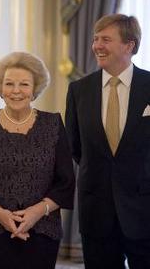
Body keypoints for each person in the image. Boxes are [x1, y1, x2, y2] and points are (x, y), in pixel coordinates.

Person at [0, 51, 75, 269]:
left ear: (34, 89)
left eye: (24, 84)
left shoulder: (52, 124)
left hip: (43, 230)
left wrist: (36, 212)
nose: (16, 91)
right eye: (9, 84)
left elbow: (66, 182)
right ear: (0, 88)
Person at [65, 14, 150, 268]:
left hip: (144, 209)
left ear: (129, 45)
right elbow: (75, 147)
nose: (97, 46)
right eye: (95, 39)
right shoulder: (78, 90)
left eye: (105, 39)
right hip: (96, 210)